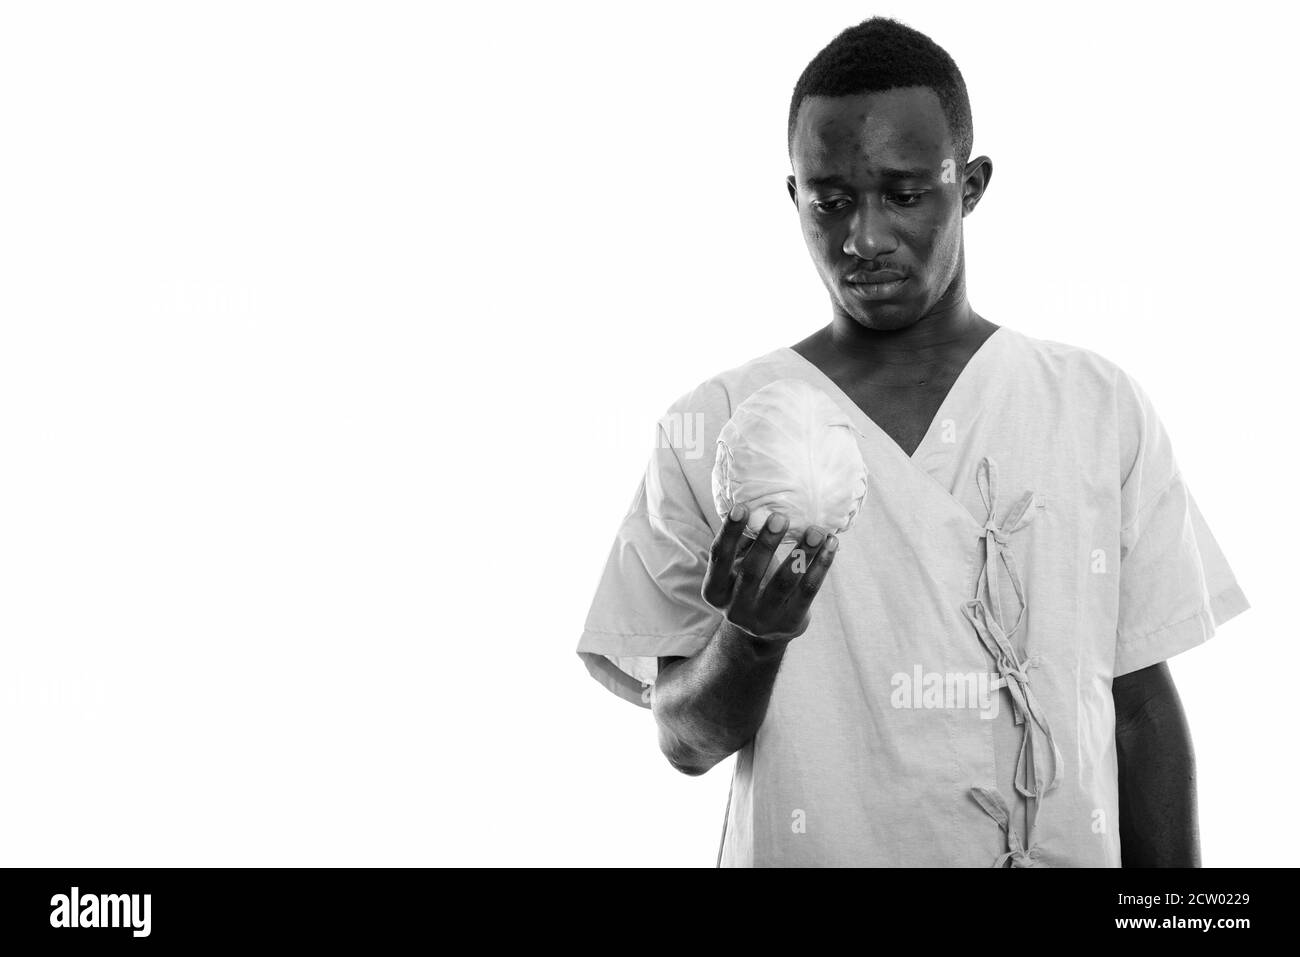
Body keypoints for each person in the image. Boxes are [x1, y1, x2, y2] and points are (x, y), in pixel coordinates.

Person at [575, 16, 1249, 867]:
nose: (863, 238)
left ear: (968, 185)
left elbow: (1140, 710)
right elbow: (685, 741)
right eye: (831, 199)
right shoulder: (719, 424)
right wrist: (751, 636)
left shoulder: (1095, 405)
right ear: (794, 197)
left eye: (903, 194)